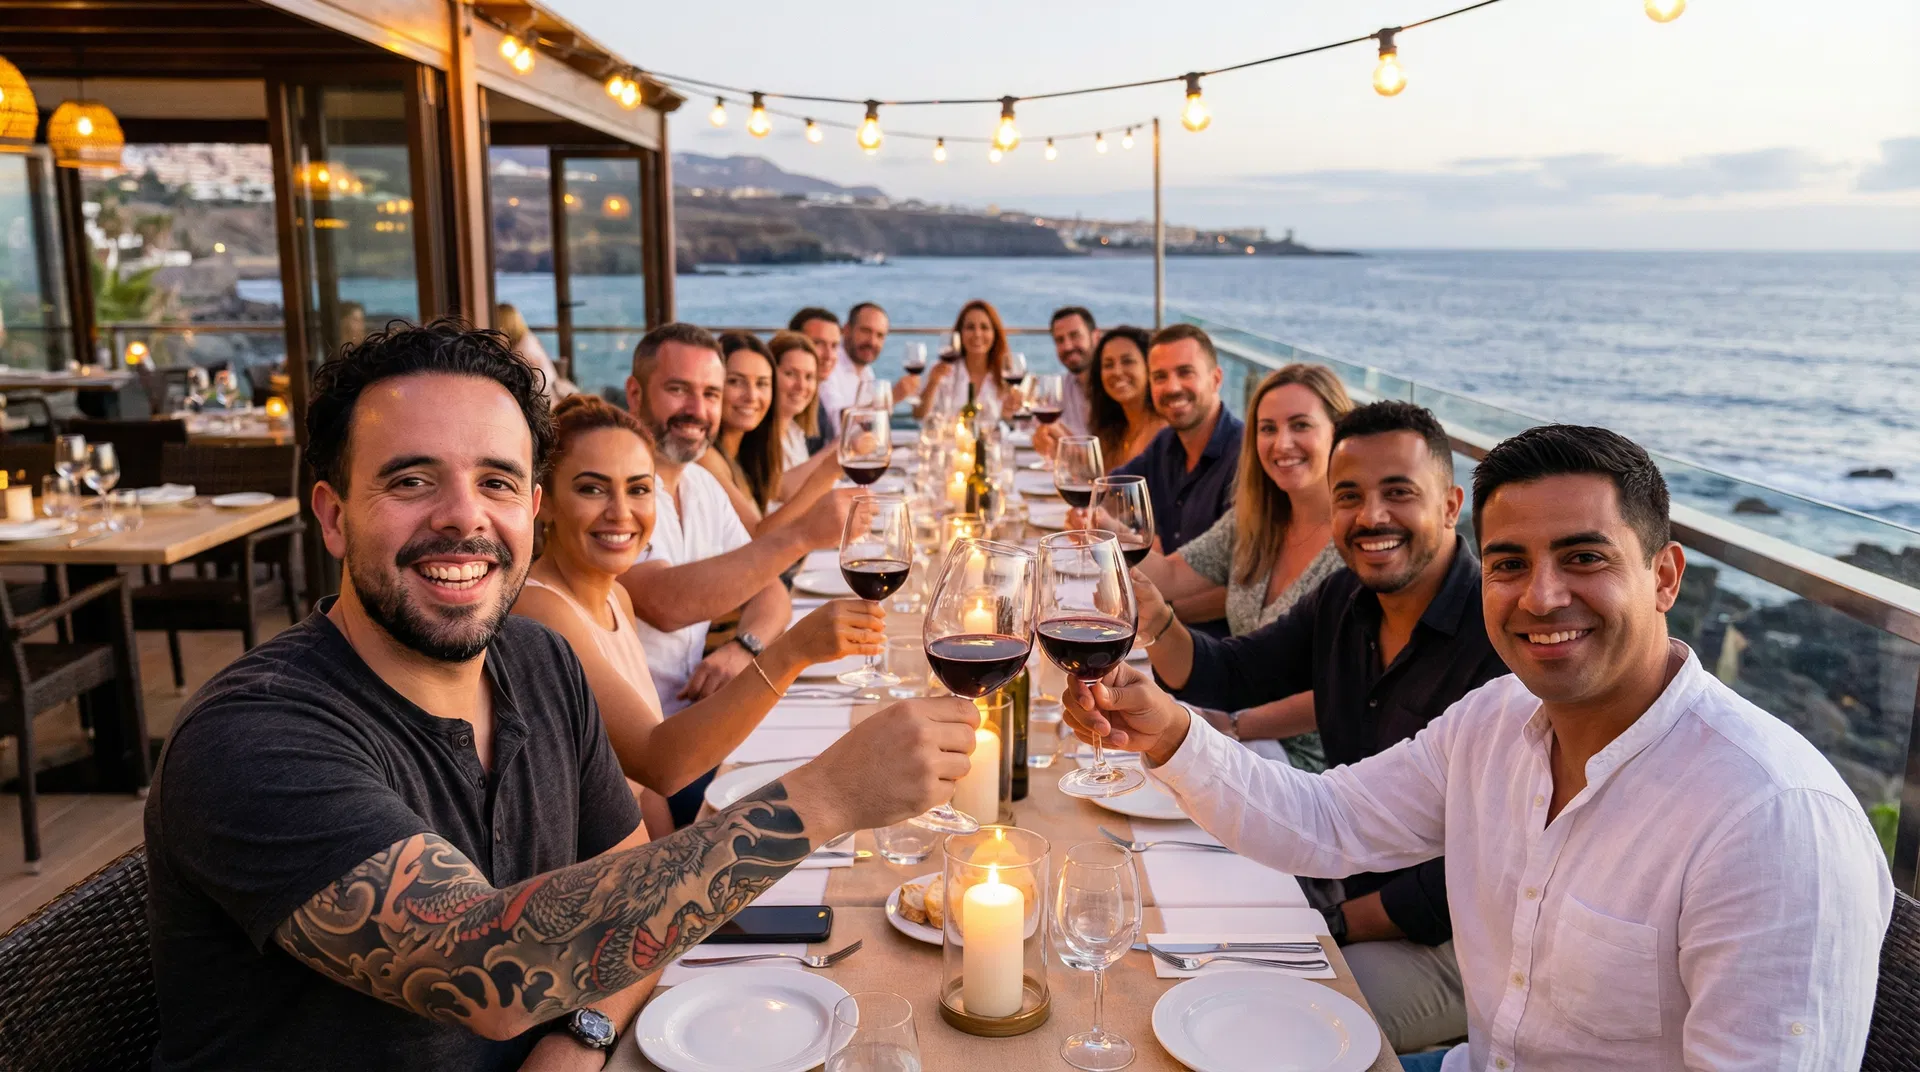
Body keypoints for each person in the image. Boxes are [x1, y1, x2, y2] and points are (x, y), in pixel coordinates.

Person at [143, 320, 978, 1070]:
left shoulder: (537, 661)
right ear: (332, 516)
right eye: (410, 482)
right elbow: (483, 966)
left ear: (530, 509)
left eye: (498, 482)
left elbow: (637, 905)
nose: (462, 517)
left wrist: (581, 1036)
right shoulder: (254, 739)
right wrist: (828, 796)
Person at [1068, 422, 1893, 1071]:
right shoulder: (1498, 718)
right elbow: (1326, 821)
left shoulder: (1773, 823)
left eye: (1583, 557)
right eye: (1509, 563)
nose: (1541, 595)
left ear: (1666, 576)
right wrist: (1170, 732)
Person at [1128, 400, 1501, 1051]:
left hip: (1452, 947)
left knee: (1260, 1032)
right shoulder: (1346, 599)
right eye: (1349, 496)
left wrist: (1330, 920)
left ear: (1449, 505)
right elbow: (1234, 672)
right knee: (1152, 948)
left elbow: (1471, 873)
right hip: (1340, 878)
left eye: (1398, 493)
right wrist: (1155, 619)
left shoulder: (1497, 642)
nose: (1371, 516)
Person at [515, 394, 882, 839]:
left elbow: (644, 790)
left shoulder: (615, 597)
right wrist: (794, 651)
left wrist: (668, 866)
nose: (620, 512)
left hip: (632, 857)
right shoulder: (540, 611)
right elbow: (661, 765)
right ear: (544, 502)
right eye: (591, 489)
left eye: (638, 489)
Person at [621, 323, 849, 820]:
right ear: (635, 392)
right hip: (650, 763)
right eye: (678, 389)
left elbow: (771, 595)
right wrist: (803, 535)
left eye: (709, 394)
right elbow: (664, 602)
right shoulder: (622, 494)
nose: (697, 410)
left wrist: (743, 649)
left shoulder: (700, 482)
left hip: (704, 724)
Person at [1132, 363, 1351, 771]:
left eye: (1300, 425)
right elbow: (1173, 575)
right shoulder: (1256, 519)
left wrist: (1235, 725)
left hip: (1311, 764)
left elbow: (1344, 691)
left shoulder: (1355, 543)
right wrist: (1109, 538)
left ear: (1338, 431)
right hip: (1235, 731)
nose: (1282, 443)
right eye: (1268, 429)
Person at [815, 302, 919, 432]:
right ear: (847, 330)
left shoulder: (865, 370)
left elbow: (868, 427)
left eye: (879, 335)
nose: (872, 342)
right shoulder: (829, 365)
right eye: (866, 331)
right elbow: (837, 422)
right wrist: (891, 398)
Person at [1081, 325, 1166, 470]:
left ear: (1150, 368)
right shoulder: (1112, 430)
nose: (1117, 372)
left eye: (1127, 361)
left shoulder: (1163, 433)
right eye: (1108, 365)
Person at [913, 299, 1010, 421]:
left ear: (995, 334)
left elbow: (1016, 426)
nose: (977, 334)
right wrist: (932, 384)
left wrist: (1009, 414)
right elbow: (918, 415)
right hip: (948, 440)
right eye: (970, 327)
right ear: (960, 334)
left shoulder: (1006, 376)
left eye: (984, 327)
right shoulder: (940, 371)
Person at [494, 302, 570, 406]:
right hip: (549, 400)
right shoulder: (527, 340)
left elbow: (525, 391)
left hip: (545, 407)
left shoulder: (523, 353)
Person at [789, 307, 843, 438]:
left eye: (834, 346)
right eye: (818, 343)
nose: (829, 355)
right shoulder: (790, 397)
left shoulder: (818, 395)